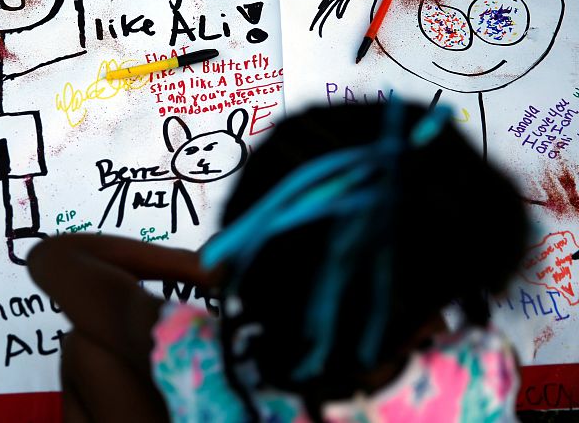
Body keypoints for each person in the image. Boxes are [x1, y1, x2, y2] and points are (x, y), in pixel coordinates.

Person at [27, 100, 530, 422]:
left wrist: (205, 266)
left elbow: (56, 257)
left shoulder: (205, 361)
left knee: (86, 352)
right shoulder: (483, 370)